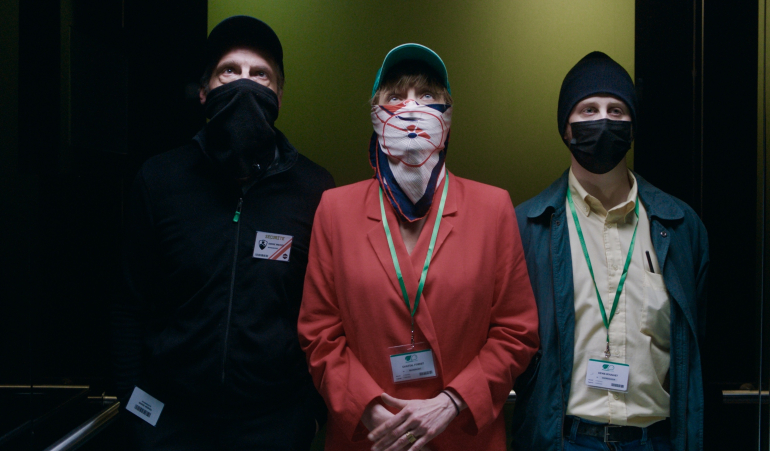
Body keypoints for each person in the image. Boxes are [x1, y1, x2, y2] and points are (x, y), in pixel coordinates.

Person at [297, 43, 539, 451]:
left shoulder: (492, 208)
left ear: (448, 117)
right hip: (372, 437)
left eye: (427, 96)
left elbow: (517, 331)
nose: (411, 108)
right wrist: (369, 409)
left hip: (462, 435)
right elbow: (318, 332)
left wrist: (451, 403)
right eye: (395, 97)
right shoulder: (335, 210)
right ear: (376, 116)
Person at [112, 15, 334, 450]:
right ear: (204, 91)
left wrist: (309, 417)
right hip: (170, 426)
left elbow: (328, 314)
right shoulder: (160, 179)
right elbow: (127, 302)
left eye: (260, 74)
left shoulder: (314, 189)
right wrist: (133, 409)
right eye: (229, 71)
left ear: (279, 96)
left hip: (273, 426)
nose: (245, 83)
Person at [510, 51, 708, 451]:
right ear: (566, 128)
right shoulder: (527, 227)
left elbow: (698, 342)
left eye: (616, 110)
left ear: (632, 126)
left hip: (655, 439)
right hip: (564, 439)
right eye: (589, 109)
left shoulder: (680, 226)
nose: (603, 120)